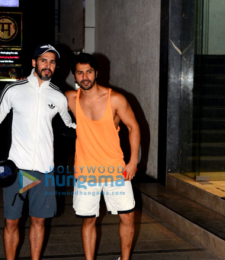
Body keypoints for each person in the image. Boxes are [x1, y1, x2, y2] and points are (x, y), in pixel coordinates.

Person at [0, 44, 76, 260]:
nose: (48, 65)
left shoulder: (58, 96)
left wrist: (99, 128)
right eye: (43, 60)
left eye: (52, 62)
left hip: (44, 170)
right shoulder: (14, 89)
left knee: (39, 220)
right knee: (12, 221)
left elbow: (69, 127)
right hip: (17, 169)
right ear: (34, 62)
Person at [65, 53, 140, 260]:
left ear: (96, 73)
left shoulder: (115, 99)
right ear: (75, 76)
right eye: (80, 73)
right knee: (88, 219)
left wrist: (133, 160)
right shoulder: (70, 98)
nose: (85, 76)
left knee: (127, 216)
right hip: (86, 170)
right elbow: (43, 97)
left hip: (115, 168)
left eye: (89, 71)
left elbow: (133, 127)